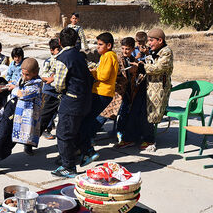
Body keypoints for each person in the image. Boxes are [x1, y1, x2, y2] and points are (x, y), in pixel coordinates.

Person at [0, 58, 42, 179]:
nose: (24, 76)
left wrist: (12, 88)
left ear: (36, 72)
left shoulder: (37, 84)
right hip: (12, 109)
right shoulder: (23, 78)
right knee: (2, 135)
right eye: (23, 74)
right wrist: (3, 87)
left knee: (10, 142)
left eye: (27, 74)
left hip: (22, 115)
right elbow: (15, 85)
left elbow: (21, 93)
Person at [49, 28, 93, 178]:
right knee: (75, 130)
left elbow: (59, 84)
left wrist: (54, 83)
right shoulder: (80, 56)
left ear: (60, 42)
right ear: (76, 41)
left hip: (72, 100)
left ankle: (68, 166)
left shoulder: (62, 58)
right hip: (85, 99)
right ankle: (74, 156)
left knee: (63, 133)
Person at [78, 32, 118, 166]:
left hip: (103, 92)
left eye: (100, 45)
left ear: (109, 45)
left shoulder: (108, 56)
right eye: (97, 44)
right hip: (101, 92)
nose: (98, 47)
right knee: (88, 120)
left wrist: (91, 72)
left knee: (87, 122)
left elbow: (104, 75)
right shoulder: (105, 56)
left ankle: (88, 149)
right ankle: (85, 147)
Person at [133, 28, 173, 150]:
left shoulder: (166, 52)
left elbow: (158, 68)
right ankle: (134, 136)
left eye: (151, 41)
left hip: (158, 88)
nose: (149, 43)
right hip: (147, 85)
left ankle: (149, 140)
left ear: (160, 40)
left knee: (149, 113)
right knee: (137, 108)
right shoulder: (154, 50)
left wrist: (142, 67)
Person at [114, 37, 152, 149]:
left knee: (127, 112)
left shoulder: (134, 60)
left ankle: (126, 135)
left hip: (131, 91)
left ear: (132, 49)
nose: (125, 51)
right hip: (120, 91)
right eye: (123, 48)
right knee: (116, 113)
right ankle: (121, 133)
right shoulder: (118, 59)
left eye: (127, 49)